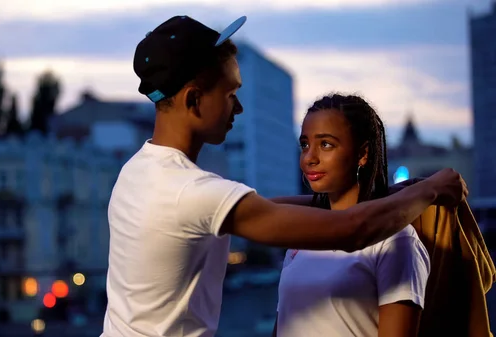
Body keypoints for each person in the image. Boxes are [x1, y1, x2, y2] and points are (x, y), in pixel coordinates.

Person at [101, 14, 466, 337]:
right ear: (194, 100)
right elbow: (352, 230)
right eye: (230, 94)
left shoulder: (137, 173)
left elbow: (265, 208)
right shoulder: (191, 191)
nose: (239, 107)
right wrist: (432, 189)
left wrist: (388, 193)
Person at [273, 94, 431, 337]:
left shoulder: (395, 240)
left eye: (326, 144)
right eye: (305, 144)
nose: (309, 158)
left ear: (363, 154)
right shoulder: (303, 237)